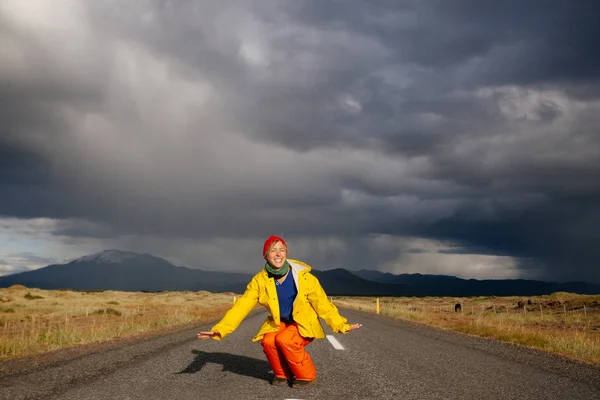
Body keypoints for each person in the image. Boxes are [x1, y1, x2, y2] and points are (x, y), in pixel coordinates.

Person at [197, 235, 361, 388]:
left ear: (286, 253)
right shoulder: (260, 280)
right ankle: (282, 374)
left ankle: (307, 375)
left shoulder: (304, 277)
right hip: (280, 322)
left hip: (303, 323)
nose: (278, 254)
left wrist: (341, 325)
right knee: (268, 341)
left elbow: (323, 304)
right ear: (266, 255)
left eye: (282, 250)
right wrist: (220, 329)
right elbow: (242, 306)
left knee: (285, 340)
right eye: (273, 250)